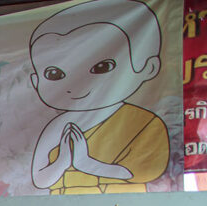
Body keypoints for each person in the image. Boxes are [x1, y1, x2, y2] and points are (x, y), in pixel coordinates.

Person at [29, 0, 168, 194]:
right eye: (54, 74)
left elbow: (149, 170)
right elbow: (40, 179)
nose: (77, 85)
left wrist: (88, 164)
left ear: (148, 67)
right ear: (36, 81)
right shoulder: (58, 126)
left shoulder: (144, 123)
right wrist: (62, 162)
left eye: (102, 67)